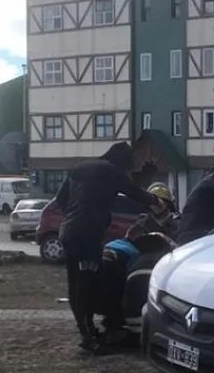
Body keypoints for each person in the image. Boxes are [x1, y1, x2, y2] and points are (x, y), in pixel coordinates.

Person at [54, 141, 160, 353]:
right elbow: (133, 191)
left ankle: (86, 332)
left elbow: (60, 199)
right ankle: (92, 337)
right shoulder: (111, 171)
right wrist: (155, 200)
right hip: (87, 234)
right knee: (89, 283)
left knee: (75, 282)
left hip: (68, 231)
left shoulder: (82, 168)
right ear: (122, 161)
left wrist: (75, 216)